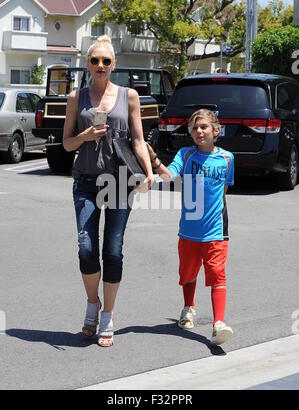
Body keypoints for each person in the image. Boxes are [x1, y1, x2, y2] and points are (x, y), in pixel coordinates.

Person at [63, 35, 153, 347]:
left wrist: (149, 172)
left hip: (118, 182)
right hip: (86, 180)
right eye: (94, 61)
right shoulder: (76, 97)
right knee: (86, 247)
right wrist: (85, 135)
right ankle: (92, 304)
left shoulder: (129, 96)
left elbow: (139, 140)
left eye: (106, 61)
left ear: (113, 64)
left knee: (112, 249)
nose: (100, 66)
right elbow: (66, 143)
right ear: (87, 64)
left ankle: (108, 315)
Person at [146, 109, 234, 345]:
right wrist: (154, 159)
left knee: (217, 275)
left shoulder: (227, 159)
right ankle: (189, 307)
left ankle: (218, 324)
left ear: (216, 130)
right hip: (189, 230)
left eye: (204, 127)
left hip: (216, 230)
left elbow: (223, 191)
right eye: (194, 128)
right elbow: (168, 177)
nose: (198, 131)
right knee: (188, 273)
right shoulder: (185, 155)